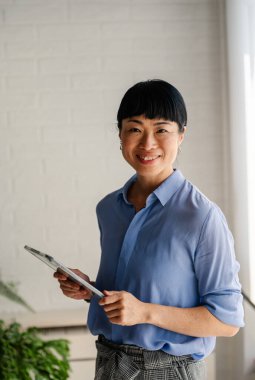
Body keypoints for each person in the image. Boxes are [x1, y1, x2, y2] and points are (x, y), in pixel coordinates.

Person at [54, 79, 244, 379]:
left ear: (182, 135)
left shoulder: (202, 218)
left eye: (162, 129)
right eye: (135, 129)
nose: (147, 144)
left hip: (169, 371)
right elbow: (135, 291)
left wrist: (145, 312)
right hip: (109, 363)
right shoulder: (108, 208)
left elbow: (227, 321)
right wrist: (89, 290)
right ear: (120, 134)